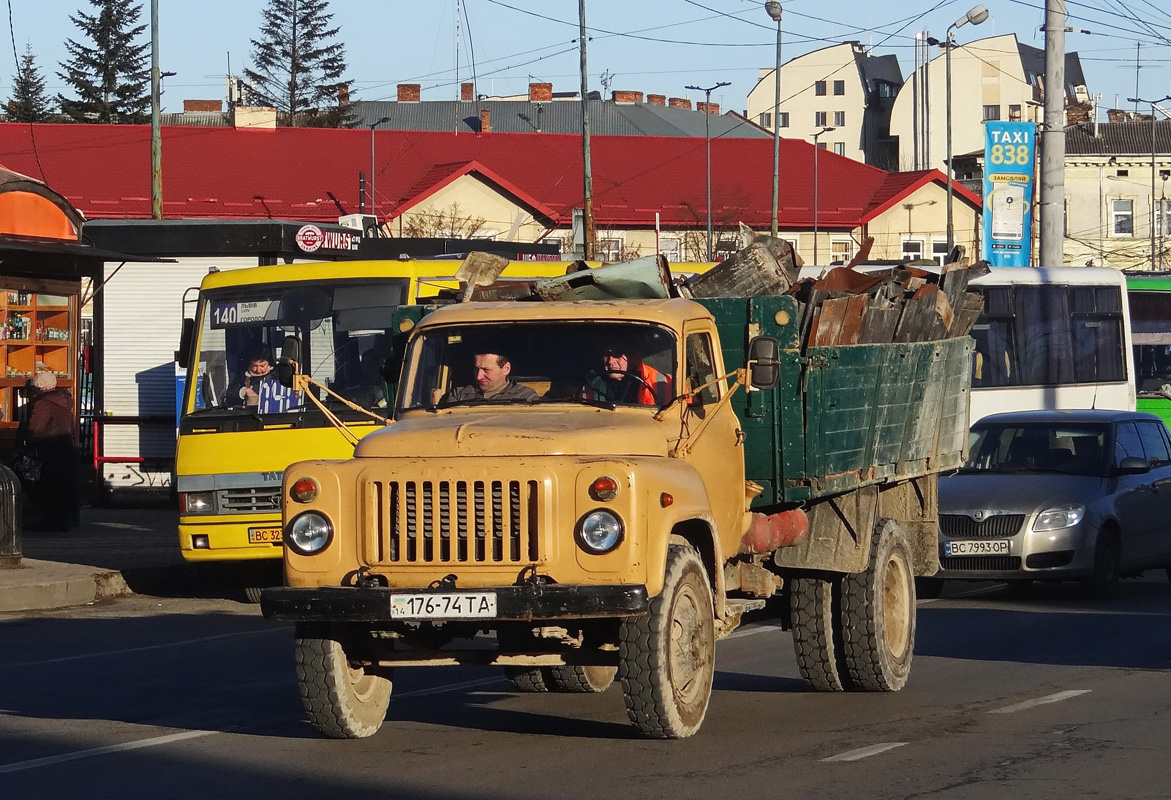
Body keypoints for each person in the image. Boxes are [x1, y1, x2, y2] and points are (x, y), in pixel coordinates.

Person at [20, 370, 80, 531]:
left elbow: (36, 427)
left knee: (47, 485)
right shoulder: (66, 400)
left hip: (48, 447)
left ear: (39, 385)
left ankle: (49, 521)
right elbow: (72, 425)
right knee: (63, 485)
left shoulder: (43, 403)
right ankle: (64, 520)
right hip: (65, 446)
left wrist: (28, 437)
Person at [584, 339, 672, 406]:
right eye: (607, 354)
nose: (610, 361)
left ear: (636, 358)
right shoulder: (592, 382)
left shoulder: (665, 383)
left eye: (617, 354)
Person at [443, 348, 537, 403]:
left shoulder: (525, 397)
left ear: (506, 369)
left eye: (486, 370)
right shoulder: (459, 395)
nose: (479, 376)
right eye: (477, 369)